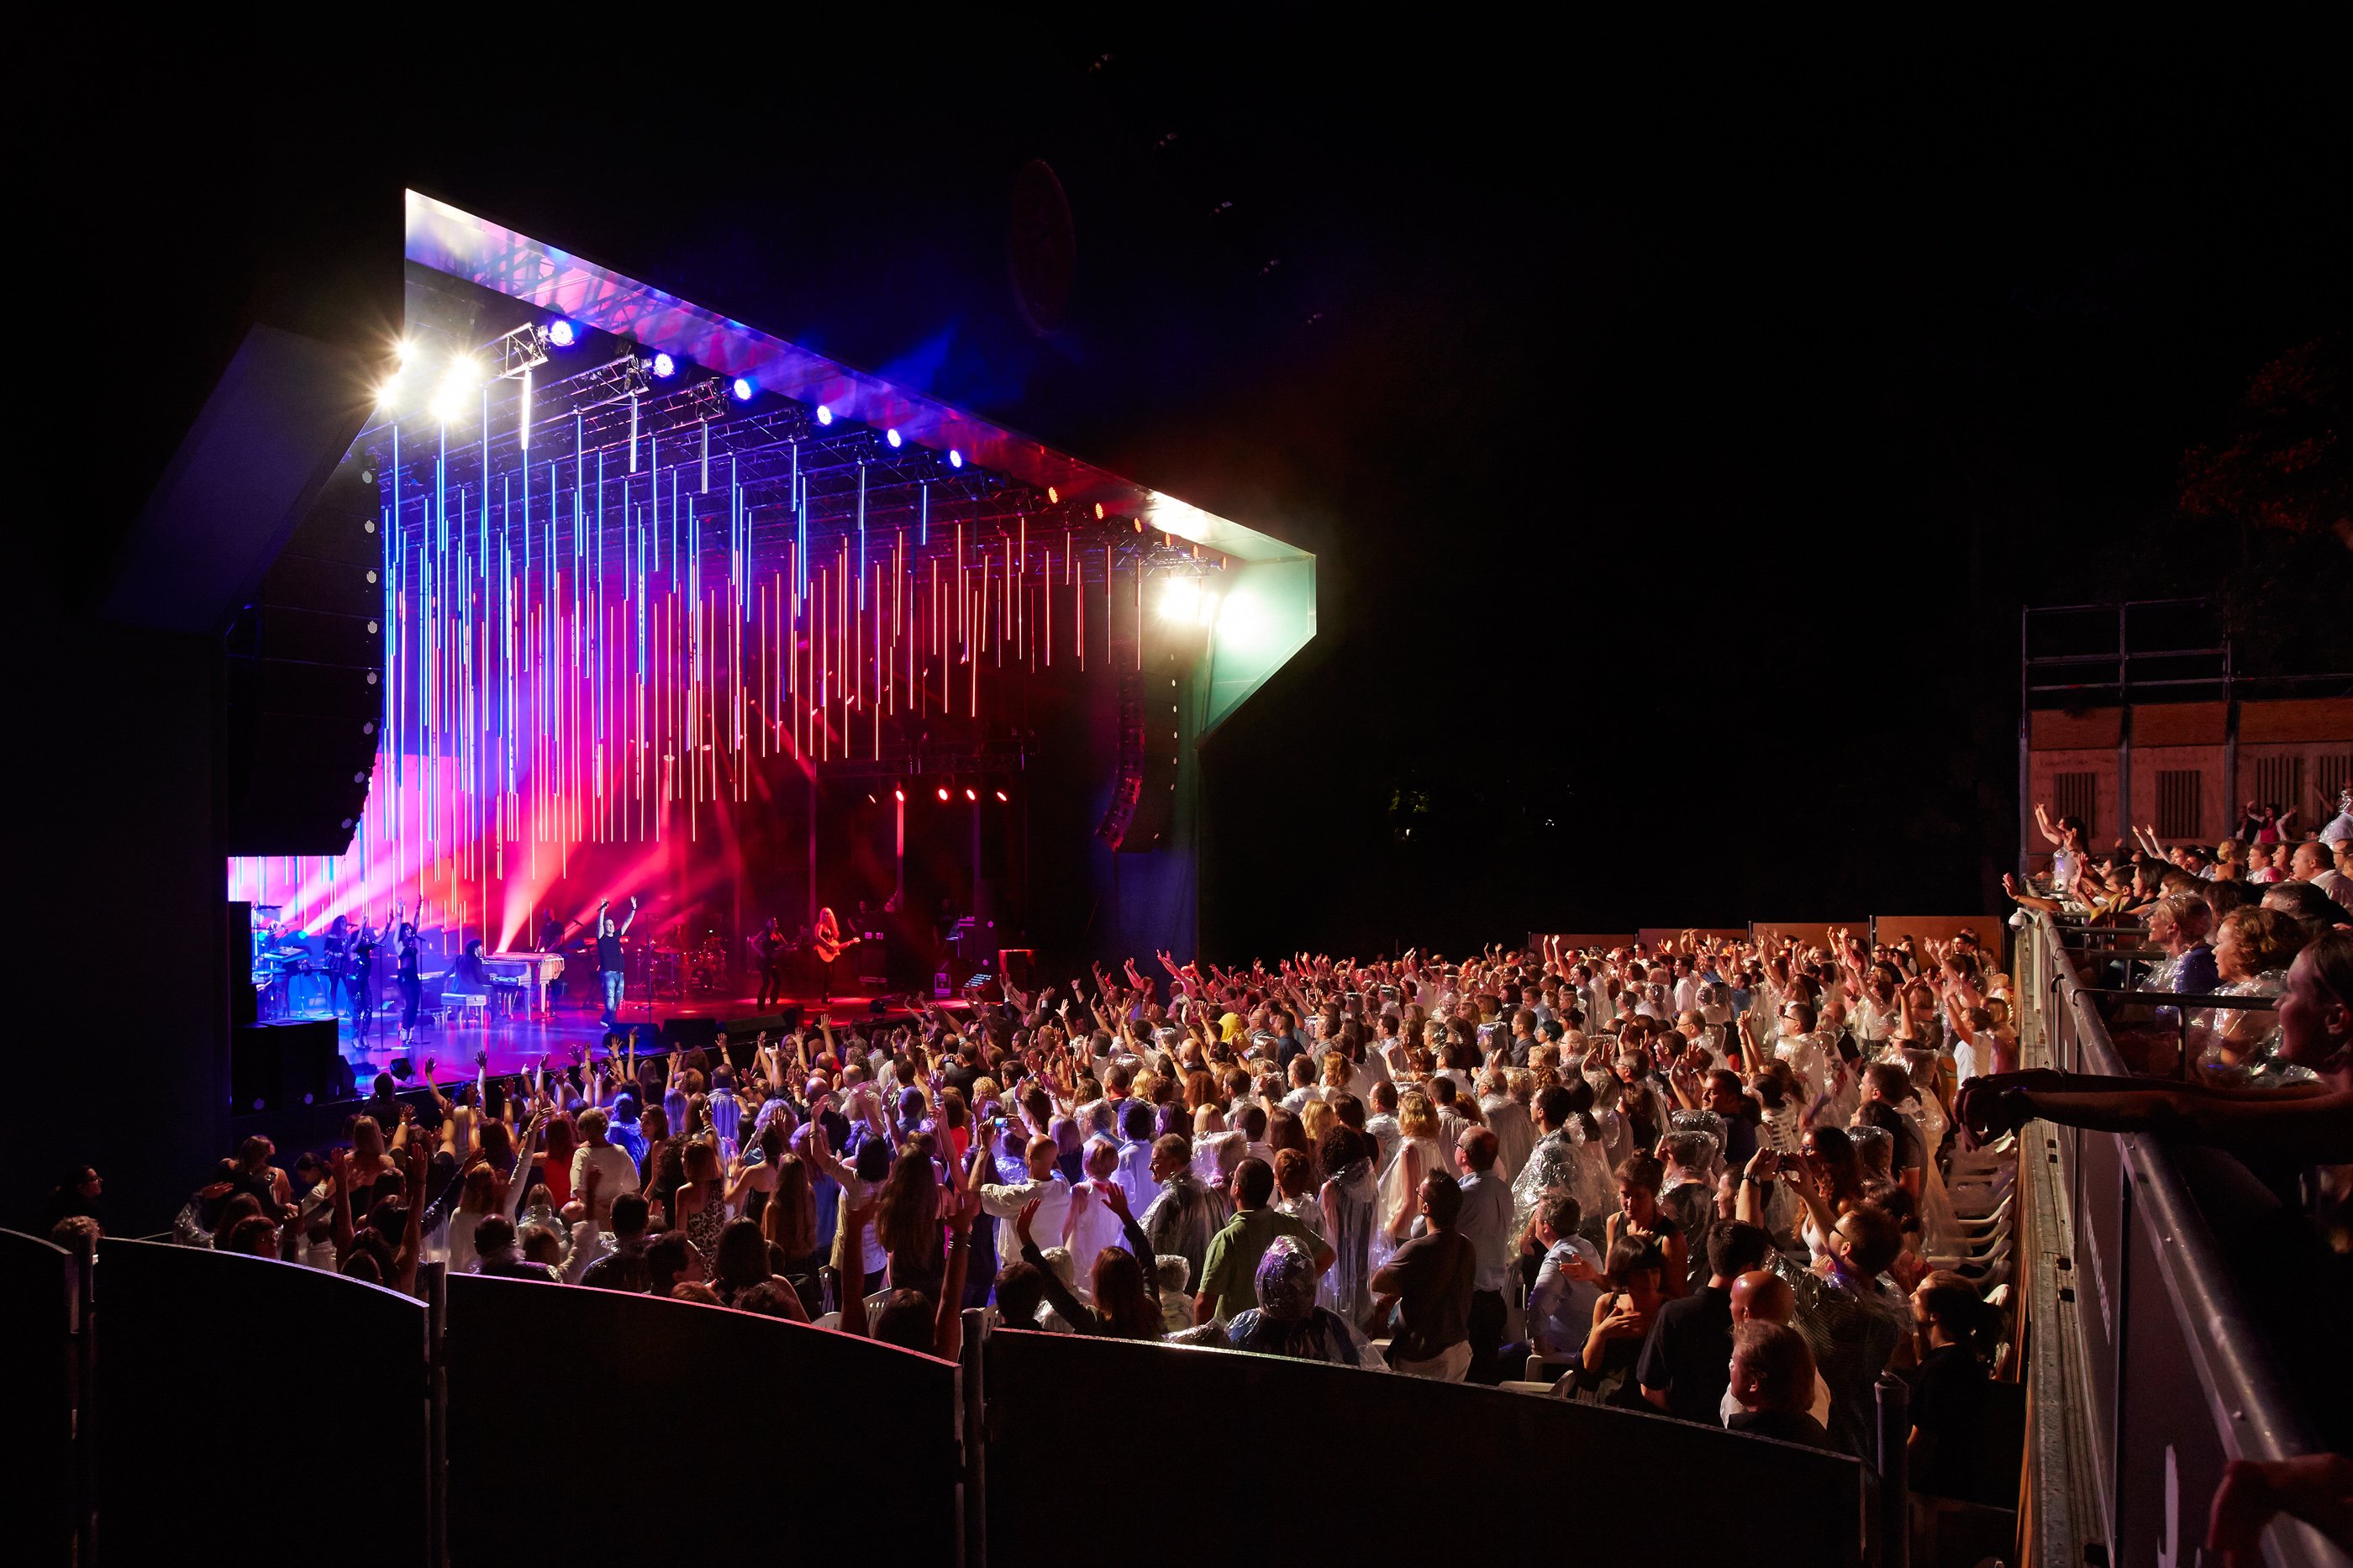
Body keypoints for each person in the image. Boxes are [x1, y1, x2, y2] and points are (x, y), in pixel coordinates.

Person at [1636, 1219, 1774, 1423]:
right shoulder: (1756, 1321)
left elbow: (1649, 1388)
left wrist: (1686, 1416)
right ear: (1748, 1269)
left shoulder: (1673, 1314)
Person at [1196, 1157, 1334, 1324]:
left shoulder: (1227, 1239)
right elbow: (1327, 1257)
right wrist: (1295, 1287)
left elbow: (1204, 1304)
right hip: (1284, 1330)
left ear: (1237, 1189)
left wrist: (1202, 1348)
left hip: (1236, 1340)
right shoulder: (1291, 1225)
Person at [1368, 1167, 1476, 1379]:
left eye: (1418, 1192)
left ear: (1425, 1207)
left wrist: (1399, 1290)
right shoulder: (1467, 1246)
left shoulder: (1418, 1248)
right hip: (1459, 1348)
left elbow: (1377, 1283)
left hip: (1426, 1356)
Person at [1726, 1319, 1837, 1449]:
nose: (1731, 1367)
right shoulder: (1817, 1437)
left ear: (1753, 1383)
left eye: (1733, 1364)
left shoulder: (1743, 1446)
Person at [594, 896, 638, 1029]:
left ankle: (606, 1018)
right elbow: (599, 924)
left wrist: (634, 909)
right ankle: (612, 1024)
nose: (611, 926)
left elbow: (627, 922)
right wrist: (602, 911)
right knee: (610, 999)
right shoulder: (601, 938)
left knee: (617, 1001)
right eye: (609, 924)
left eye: (612, 924)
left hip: (620, 974)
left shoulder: (617, 935)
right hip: (608, 974)